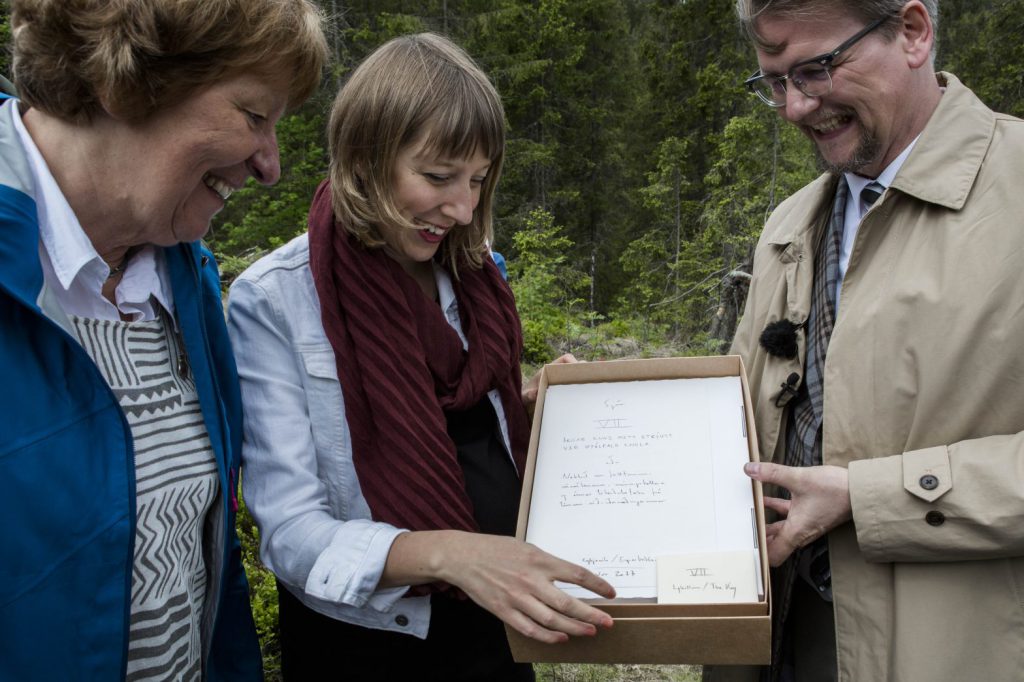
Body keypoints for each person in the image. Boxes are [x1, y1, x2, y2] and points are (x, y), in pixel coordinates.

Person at [227, 33, 615, 681]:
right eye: (437, 177)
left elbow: (454, 417)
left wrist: (527, 404)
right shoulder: (275, 299)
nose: (462, 209)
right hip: (365, 641)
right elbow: (290, 533)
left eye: (478, 181)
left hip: (494, 616)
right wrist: (454, 556)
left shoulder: (473, 272)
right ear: (366, 157)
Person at [0, 1, 328, 679]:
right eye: (253, 115)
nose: (270, 165)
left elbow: (202, 574)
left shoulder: (184, 277)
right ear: (128, 77)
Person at [710, 1, 1024, 680]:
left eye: (817, 69)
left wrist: (872, 497)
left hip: (957, 651)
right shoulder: (789, 224)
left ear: (912, 32)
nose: (795, 107)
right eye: (774, 82)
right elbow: (735, 415)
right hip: (775, 642)